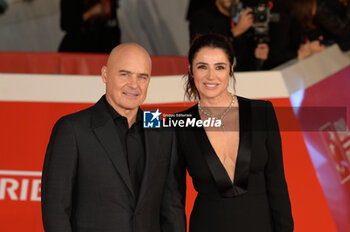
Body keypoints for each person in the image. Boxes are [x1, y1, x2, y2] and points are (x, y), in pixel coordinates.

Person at [41, 43, 186, 231]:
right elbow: (56, 209)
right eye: (124, 74)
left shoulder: (164, 129)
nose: (134, 85)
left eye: (142, 77)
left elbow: (172, 208)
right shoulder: (72, 129)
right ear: (105, 75)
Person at [175, 34, 294, 231]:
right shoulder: (179, 124)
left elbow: (277, 184)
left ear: (231, 69)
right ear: (190, 70)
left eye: (219, 67)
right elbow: (174, 197)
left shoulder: (262, 112)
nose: (211, 76)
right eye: (202, 66)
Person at [189, 0, 269, 71]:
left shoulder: (244, 18)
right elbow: (203, 49)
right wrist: (235, 31)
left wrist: (259, 57)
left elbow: (245, 60)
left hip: (243, 77)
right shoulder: (202, 17)